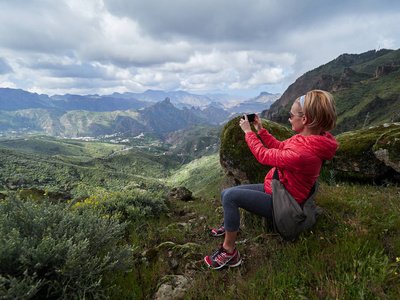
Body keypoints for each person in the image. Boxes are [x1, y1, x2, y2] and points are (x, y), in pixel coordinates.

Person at [204, 90, 338, 269]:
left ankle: (230, 252)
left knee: (230, 197)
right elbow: (282, 147)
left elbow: (263, 155)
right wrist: (261, 131)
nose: (289, 118)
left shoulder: (303, 153)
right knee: (225, 194)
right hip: (279, 189)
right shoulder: (310, 139)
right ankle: (230, 225)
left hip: (285, 204)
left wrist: (248, 132)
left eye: (291, 115)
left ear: (305, 119)